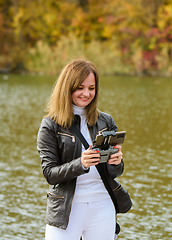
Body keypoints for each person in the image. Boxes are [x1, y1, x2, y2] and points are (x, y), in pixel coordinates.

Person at [37, 59, 124, 240]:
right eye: (80, 87)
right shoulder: (50, 125)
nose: (86, 93)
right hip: (66, 208)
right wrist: (81, 164)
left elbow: (115, 172)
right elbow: (49, 174)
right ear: (67, 88)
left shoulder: (106, 121)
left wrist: (116, 162)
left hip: (102, 205)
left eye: (91, 88)